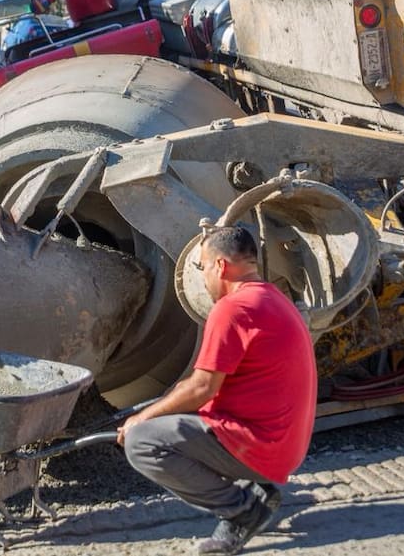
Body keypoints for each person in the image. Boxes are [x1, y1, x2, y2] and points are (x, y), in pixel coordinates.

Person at [118, 226, 317, 555]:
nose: (204, 278)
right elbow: (204, 383)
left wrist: (141, 418)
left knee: (144, 442)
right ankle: (257, 488)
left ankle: (241, 510)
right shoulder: (271, 297)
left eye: (202, 267)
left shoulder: (232, 309)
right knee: (167, 414)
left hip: (263, 447)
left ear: (221, 266)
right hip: (286, 445)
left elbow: (202, 387)